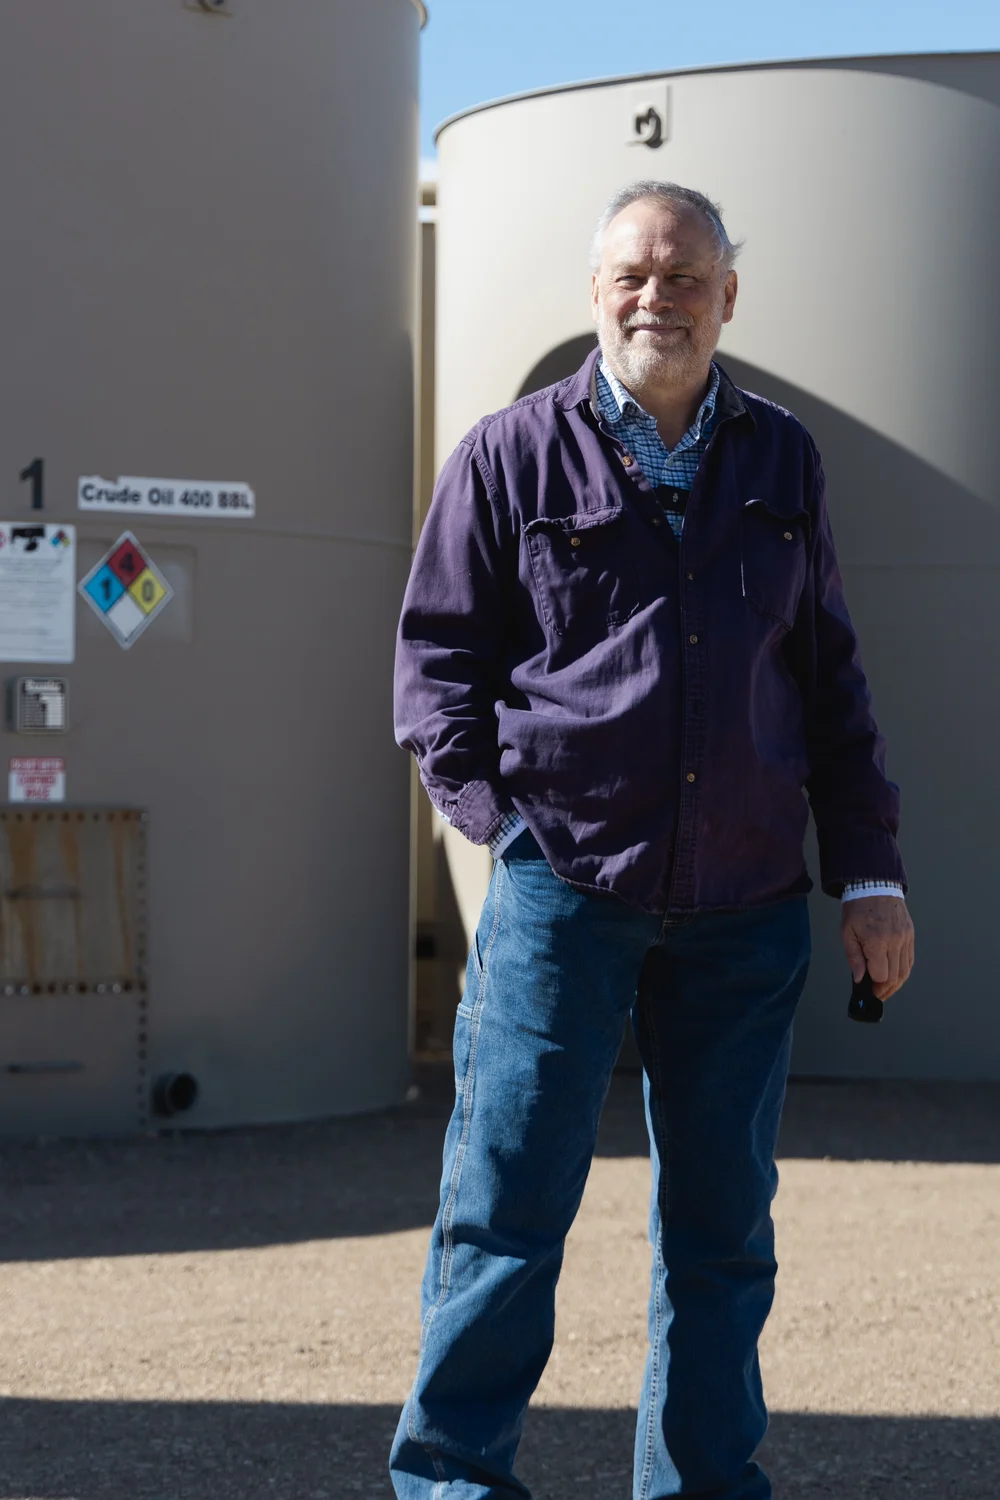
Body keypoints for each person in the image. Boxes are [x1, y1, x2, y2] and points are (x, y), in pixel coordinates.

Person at [390, 180, 914, 1500]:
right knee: (502, 1220)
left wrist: (869, 872)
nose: (656, 298)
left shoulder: (784, 462)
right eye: (632, 274)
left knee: (722, 1236)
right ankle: (453, 1485)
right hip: (564, 890)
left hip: (743, 903)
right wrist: (502, 832)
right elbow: (435, 668)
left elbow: (829, 682)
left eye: (686, 278)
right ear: (594, 292)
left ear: (729, 296)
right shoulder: (511, 456)